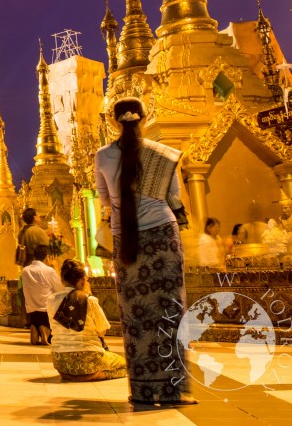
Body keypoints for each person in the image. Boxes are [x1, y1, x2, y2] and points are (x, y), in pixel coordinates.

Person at [95, 97, 196, 406]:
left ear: (114, 122)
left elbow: (104, 201)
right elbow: (175, 199)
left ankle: (141, 389)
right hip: (163, 239)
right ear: (144, 118)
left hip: (127, 242)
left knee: (135, 317)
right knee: (170, 313)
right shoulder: (163, 155)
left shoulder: (101, 156)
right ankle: (171, 391)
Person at [48, 259, 127, 382]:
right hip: (88, 358)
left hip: (60, 361)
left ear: (62, 279)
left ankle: (73, 375)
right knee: (124, 365)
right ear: (82, 280)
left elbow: (53, 328)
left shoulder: (51, 299)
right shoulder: (89, 300)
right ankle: (92, 375)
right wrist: (86, 294)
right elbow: (102, 331)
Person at [21, 244, 63, 346]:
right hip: (46, 309)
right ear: (48, 256)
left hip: (31, 310)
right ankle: (45, 332)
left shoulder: (25, 270)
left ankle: (35, 328)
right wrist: (55, 267)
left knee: (36, 320)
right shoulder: (49, 270)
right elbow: (60, 289)